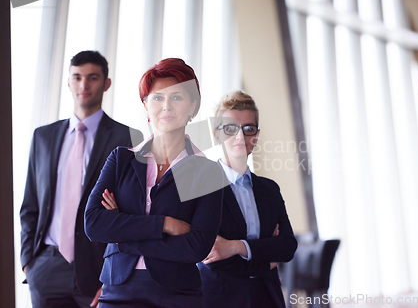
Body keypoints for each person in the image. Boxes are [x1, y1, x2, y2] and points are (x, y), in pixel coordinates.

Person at [84, 58, 225, 308]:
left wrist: (121, 236)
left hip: (177, 296)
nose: (166, 106)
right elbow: (94, 223)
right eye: (157, 98)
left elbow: (196, 247)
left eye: (177, 98)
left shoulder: (208, 171)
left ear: (193, 106)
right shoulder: (120, 159)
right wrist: (164, 224)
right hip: (117, 291)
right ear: (146, 105)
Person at [20, 50, 143, 307]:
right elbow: (30, 204)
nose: (84, 85)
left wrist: (113, 273)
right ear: (68, 82)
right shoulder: (43, 137)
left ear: (106, 83)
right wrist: (28, 262)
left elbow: (133, 213)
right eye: (76, 77)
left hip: (99, 267)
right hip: (46, 266)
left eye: (93, 77)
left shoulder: (127, 138)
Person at [199, 90, 297, 308]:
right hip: (219, 300)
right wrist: (265, 256)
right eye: (230, 128)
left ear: (256, 135)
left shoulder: (269, 190)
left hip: (268, 298)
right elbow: (212, 258)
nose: (240, 136)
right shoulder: (201, 188)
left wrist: (235, 247)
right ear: (217, 134)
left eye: (248, 129)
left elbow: (287, 246)